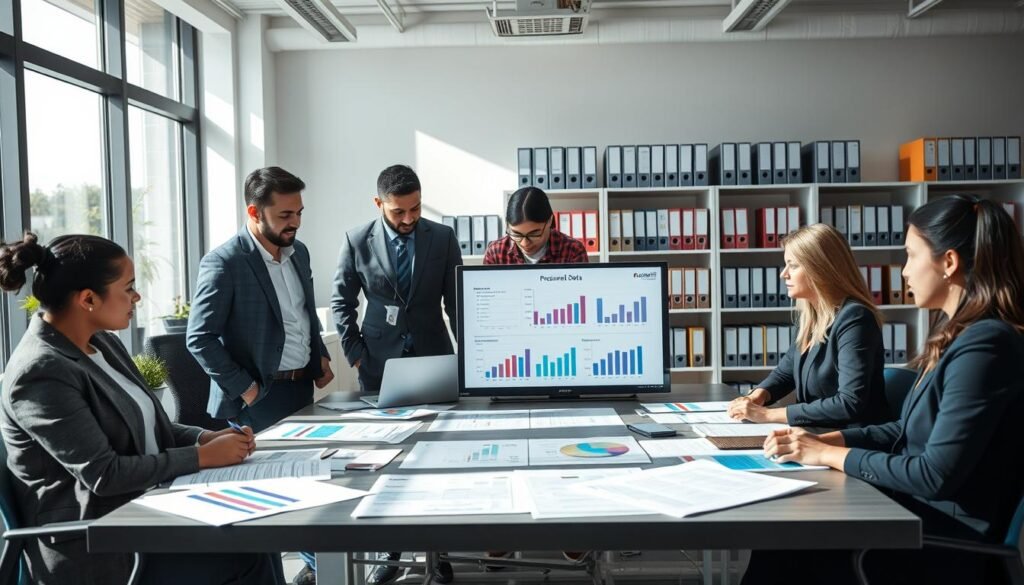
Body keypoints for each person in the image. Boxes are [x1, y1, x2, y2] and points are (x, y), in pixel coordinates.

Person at [750, 195, 1024, 585]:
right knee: (781, 536)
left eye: (911, 256)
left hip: (940, 539)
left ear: (948, 263)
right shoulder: (957, 337)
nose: (904, 272)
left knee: (786, 543)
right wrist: (826, 440)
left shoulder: (986, 347)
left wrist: (828, 453)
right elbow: (902, 430)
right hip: (913, 515)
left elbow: (934, 475)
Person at [0, 233, 283, 585]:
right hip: (100, 543)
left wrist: (206, 437)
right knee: (246, 556)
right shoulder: (40, 372)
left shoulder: (102, 342)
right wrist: (202, 458)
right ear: (88, 299)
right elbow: (105, 475)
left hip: (145, 515)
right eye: (128, 287)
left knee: (261, 536)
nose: (137, 297)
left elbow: (150, 428)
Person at [187, 166, 334, 433]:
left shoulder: (299, 252)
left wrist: (320, 355)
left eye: (299, 213)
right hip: (258, 398)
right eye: (285, 215)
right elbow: (199, 338)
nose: (296, 223)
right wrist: (247, 389)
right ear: (254, 212)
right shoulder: (223, 263)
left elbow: (304, 313)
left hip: (301, 389)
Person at [727, 223, 888, 428]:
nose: (783, 274)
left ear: (820, 268)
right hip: (815, 433)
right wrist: (757, 396)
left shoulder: (855, 318)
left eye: (793, 266)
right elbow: (785, 373)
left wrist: (767, 415)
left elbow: (849, 403)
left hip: (850, 441)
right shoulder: (813, 317)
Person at [331, 164, 461, 395]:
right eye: (398, 212)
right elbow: (342, 302)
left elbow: (455, 303)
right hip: (377, 360)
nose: (409, 219)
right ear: (379, 204)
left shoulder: (444, 238)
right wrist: (356, 355)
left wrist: (469, 353)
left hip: (434, 355)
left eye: (416, 208)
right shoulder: (357, 241)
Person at [483, 186, 588, 265]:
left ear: (550, 221)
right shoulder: (496, 252)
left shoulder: (573, 250)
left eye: (534, 234)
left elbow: (581, 292)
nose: (524, 243)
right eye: (516, 234)